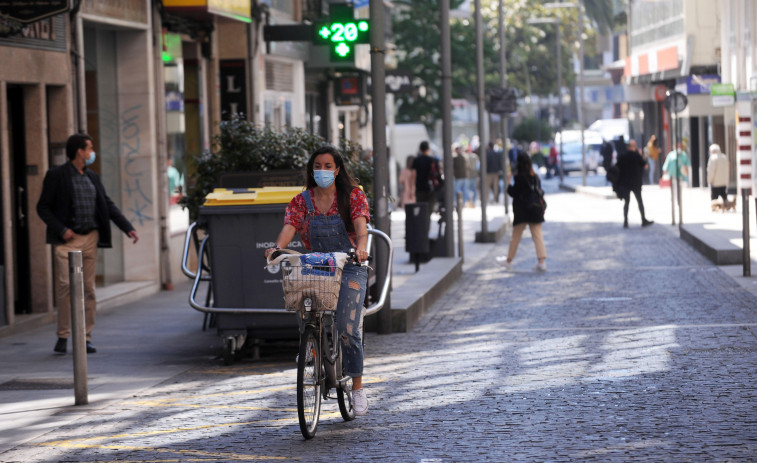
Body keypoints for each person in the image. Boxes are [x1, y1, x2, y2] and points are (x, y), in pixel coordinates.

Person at [265, 145, 371, 416]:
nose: (322, 171)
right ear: (312, 170)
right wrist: (277, 247)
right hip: (318, 265)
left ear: (337, 170)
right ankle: (310, 345)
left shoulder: (352, 196)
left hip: (349, 265)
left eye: (327, 166)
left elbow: (361, 227)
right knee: (303, 301)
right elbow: (289, 226)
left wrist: (361, 247)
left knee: (348, 328)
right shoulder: (302, 201)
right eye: (317, 166)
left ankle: (357, 388)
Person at [37, 133, 139, 355]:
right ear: (79, 152)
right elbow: (42, 207)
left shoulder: (93, 177)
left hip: (90, 239)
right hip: (67, 241)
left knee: (88, 290)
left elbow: (108, 205)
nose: (93, 152)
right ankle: (63, 335)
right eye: (89, 148)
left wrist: (127, 227)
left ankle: (85, 337)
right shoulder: (57, 176)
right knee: (66, 287)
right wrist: (62, 230)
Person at [496, 152, 547, 272]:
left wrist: (508, 183)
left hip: (522, 212)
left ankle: (508, 261)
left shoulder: (519, 177)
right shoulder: (535, 176)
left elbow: (514, 193)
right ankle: (541, 262)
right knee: (538, 236)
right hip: (535, 210)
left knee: (516, 237)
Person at [616, 139, 654, 228]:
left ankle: (625, 221)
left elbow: (617, 168)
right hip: (635, 182)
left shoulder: (622, 156)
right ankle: (643, 219)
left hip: (625, 182)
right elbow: (644, 165)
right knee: (639, 201)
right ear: (632, 147)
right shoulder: (636, 155)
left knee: (626, 202)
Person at [412, 141, 439, 218]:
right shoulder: (433, 160)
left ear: (420, 149)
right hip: (431, 188)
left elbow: (413, 175)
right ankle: (427, 225)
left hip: (419, 188)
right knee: (429, 211)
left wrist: (412, 188)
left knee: (421, 210)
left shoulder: (416, 160)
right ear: (428, 149)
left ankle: (422, 226)